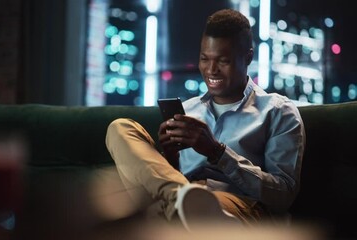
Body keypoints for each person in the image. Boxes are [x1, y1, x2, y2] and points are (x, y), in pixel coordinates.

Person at [105, 8, 305, 231]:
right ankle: (180, 199)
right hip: (178, 200)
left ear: (248, 56)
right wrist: (170, 155)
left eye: (223, 60)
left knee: (176, 211)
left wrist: (217, 152)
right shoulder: (188, 110)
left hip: (236, 206)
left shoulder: (278, 110)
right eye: (204, 59)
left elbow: (284, 194)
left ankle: (180, 205)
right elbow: (167, 175)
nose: (211, 70)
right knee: (120, 128)